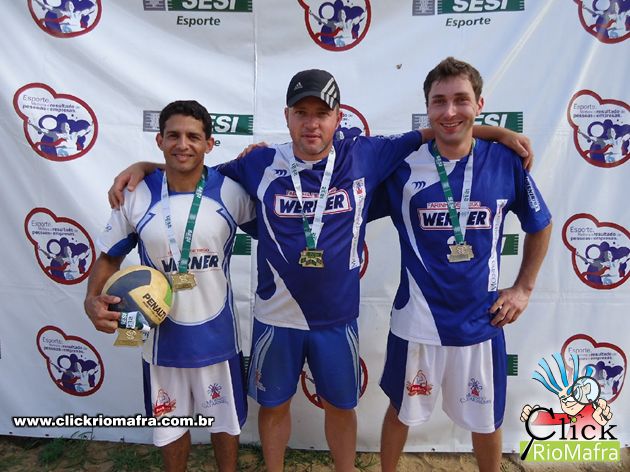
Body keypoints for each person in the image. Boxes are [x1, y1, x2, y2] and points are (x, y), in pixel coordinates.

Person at [107, 70, 533, 471]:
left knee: (341, 407)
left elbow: (444, 128)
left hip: (337, 320)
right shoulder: (259, 163)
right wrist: (146, 167)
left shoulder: (365, 154)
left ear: (338, 117)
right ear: (287, 117)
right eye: (302, 113)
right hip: (276, 318)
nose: (312, 123)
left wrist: (498, 134)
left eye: (322, 113)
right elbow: (192, 173)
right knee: (274, 406)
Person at [374, 57, 553, 472]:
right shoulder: (402, 165)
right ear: (427, 108)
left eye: (461, 100)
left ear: (479, 104)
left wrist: (523, 288)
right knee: (400, 411)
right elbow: (346, 169)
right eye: (439, 101)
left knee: (487, 421)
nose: (450, 111)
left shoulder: (505, 161)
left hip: (481, 321)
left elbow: (540, 225)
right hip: (417, 321)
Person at [84, 100, 255, 472]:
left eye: (193, 137)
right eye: (173, 135)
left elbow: (278, 225)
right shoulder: (135, 194)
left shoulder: (233, 192)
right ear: (159, 140)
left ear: (209, 144)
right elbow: (109, 257)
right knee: (168, 429)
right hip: (159, 340)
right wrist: (91, 300)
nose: (183, 144)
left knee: (226, 425)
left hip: (218, 339)